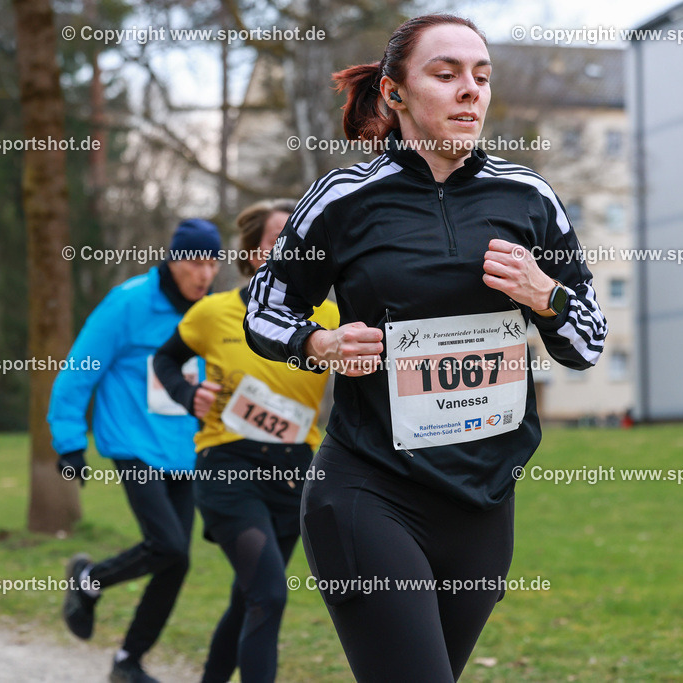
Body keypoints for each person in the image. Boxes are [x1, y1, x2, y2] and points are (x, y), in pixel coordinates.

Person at [243, 14, 608, 683]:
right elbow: (264, 309)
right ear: (395, 93)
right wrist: (319, 341)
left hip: (483, 502)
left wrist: (545, 296)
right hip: (369, 488)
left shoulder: (528, 198)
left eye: (482, 76)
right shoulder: (343, 199)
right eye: (446, 74)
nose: (470, 89)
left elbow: (587, 341)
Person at [153, 200, 338, 683]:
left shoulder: (331, 318)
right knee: (268, 595)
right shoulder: (214, 313)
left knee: (250, 598)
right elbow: (164, 360)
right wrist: (188, 394)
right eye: (278, 241)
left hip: (294, 473)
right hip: (229, 469)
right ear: (252, 253)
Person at [48, 218, 221, 683]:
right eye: (195, 262)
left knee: (176, 561)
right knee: (167, 545)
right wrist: (69, 443)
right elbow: (78, 370)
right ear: (173, 259)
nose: (204, 274)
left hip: (185, 451)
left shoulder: (209, 313)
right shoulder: (128, 303)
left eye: (212, 263)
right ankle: (89, 581)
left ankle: (128, 660)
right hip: (133, 443)